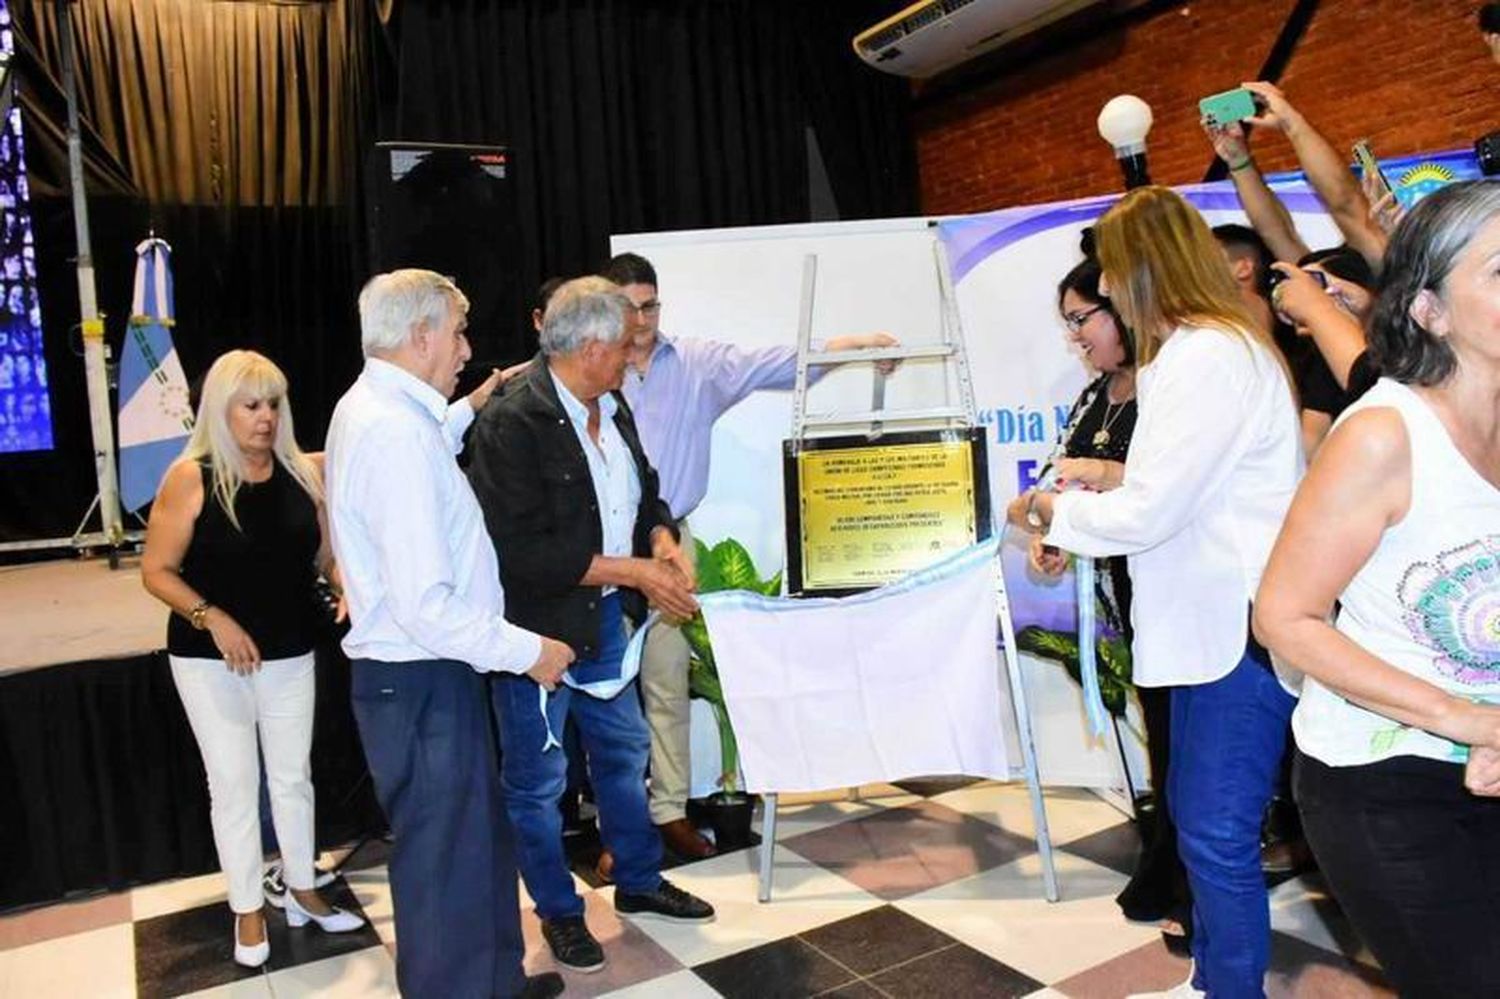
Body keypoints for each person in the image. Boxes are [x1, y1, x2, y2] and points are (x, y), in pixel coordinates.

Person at [1008, 187, 1302, 999]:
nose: (1104, 291)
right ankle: (1213, 975)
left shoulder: (1204, 354)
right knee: (1198, 817)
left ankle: (1230, 988)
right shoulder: (1206, 350)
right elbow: (1174, 489)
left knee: (1214, 832)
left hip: (1230, 632)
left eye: (1109, 273)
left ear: (1142, 268)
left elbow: (1154, 509)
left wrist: (1048, 507)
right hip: (1208, 627)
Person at [1254, 180, 1500, 997]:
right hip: (1388, 777)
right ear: (1429, 310)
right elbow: (1285, 617)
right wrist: (1463, 718)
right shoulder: (1383, 435)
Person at [600, 251, 898, 862]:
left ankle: (669, 814)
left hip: (665, 544)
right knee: (600, 692)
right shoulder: (590, 368)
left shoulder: (698, 365)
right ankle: (616, 831)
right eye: (628, 307)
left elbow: (784, 362)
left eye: (650, 304)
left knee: (665, 684)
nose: (642, 318)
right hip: (596, 547)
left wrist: (862, 344)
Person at [325, 269, 571, 999]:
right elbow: (425, 603)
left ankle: (494, 980)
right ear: (421, 334)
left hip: (431, 676)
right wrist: (530, 651)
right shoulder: (394, 431)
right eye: (459, 332)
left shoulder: (385, 407)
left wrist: (477, 400)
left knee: (474, 844)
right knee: (442, 861)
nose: (466, 347)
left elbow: (432, 442)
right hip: (422, 674)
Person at [468, 276, 716, 975]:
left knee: (623, 752)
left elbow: (646, 492)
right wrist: (635, 572)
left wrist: (661, 540)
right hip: (536, 635)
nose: (633, 354)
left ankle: (637, 880)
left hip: (608, 622)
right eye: (625, 344)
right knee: (538, 782)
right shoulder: (512, 421)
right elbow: (519, 554)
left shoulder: (613, 403)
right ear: (588, 346)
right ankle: (559, 911)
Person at [141, 350, 366, 970]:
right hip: (210, 659)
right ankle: (246, 905)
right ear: (222, 409)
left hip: (292, 648)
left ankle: (303, 888)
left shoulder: (299, 473)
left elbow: (322, 555)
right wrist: (211, 617)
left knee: (293, 777)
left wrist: (344, 582)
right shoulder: (191, 477)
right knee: (235, 786)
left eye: (273, 404)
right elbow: (155, 571)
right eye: (251, 405)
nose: (265, 417)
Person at [1032, 256, 1192, 950]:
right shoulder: (1098, 394)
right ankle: (1170, 867)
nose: (1076, 337)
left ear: (1122, 307)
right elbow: (1061, 478)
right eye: (1067, 324)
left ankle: (1193, 887)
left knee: (1190, 743)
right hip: (1131, 595)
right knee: (1162, 733)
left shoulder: (1175, 388)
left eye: (1081, 319)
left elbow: (1173, 486)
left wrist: (1098, 476)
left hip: (1184, 591)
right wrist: (1055, 533)